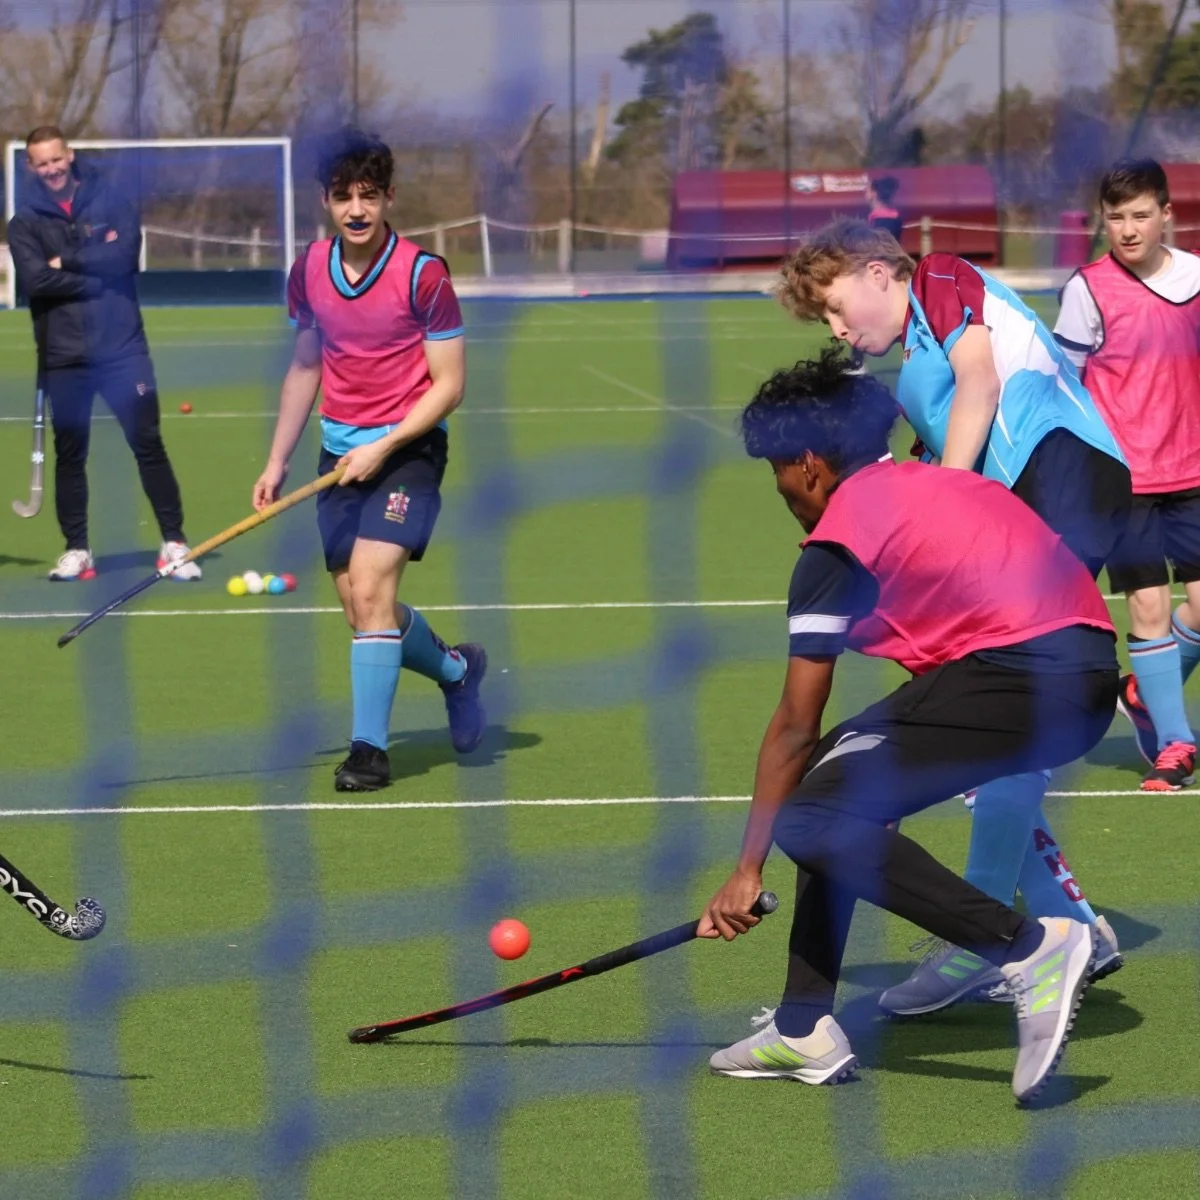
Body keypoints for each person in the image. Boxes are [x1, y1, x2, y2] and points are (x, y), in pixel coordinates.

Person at [699, 349, 1118, 1103]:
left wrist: (747, 870)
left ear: (807, 467)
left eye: (777, 474)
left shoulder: (836, 546)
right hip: (1081, 675)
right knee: (834, 784)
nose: (783, 493)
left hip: (1023, 676)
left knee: (814, 804)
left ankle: (1028, 948)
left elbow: (794, 723)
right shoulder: (935, 485)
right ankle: (802, 1029)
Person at [775, 219, 1130, 1016]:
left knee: (1008, 717)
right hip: (1030, 501)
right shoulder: (910, 380)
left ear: (878, 273)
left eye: (835, 307)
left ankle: (997, 941)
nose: (837, 330)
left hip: (1064, 473)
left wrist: (952, 496)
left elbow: (983, 385)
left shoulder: (938, 278)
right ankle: (1069, 926)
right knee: (994, 730)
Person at [252, 128, 486, 793]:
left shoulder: (423, 274)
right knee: (361, 609)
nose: (357, 209)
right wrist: (277, 462)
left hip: (407, 451)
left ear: (389, 197)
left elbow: (449, 384)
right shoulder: (310, 271)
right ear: (325, 200)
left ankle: (369, 753)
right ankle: (458, 673)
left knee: (375, 586)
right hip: (336, 453)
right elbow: (304, 367)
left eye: (369, 195)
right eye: (343, 196)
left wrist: (382, 446)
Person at [1054, 158, 1200, 793]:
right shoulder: (1087, 288)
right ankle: (1175, 745)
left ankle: (1142, 694)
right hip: (1126, 480)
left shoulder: (1196, 277)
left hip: (1194, 469)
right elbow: (1062, 384)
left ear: (1167, 215)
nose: (1129, 229)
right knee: (1147, 607)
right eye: (1117, 218)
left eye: (1142, 215)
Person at [6, 125, 199, 583]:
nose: (51, 169)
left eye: (57, 158)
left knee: (148, 445)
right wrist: (98, 271)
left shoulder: (109, 199)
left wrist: (69, 262)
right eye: (42, 162)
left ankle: (174, 543)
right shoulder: (24, 222)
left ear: (69, 156)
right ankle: (77, 549)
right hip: (64, 355)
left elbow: (127, 256)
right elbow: (36, 282)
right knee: (71, 454)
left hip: (123, 350)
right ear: (30, 167)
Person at [866, 175, 903, 242]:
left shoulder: (879, 220)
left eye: (867, 190)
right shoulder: (895, 217)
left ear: (874, 194)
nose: (865, 194)